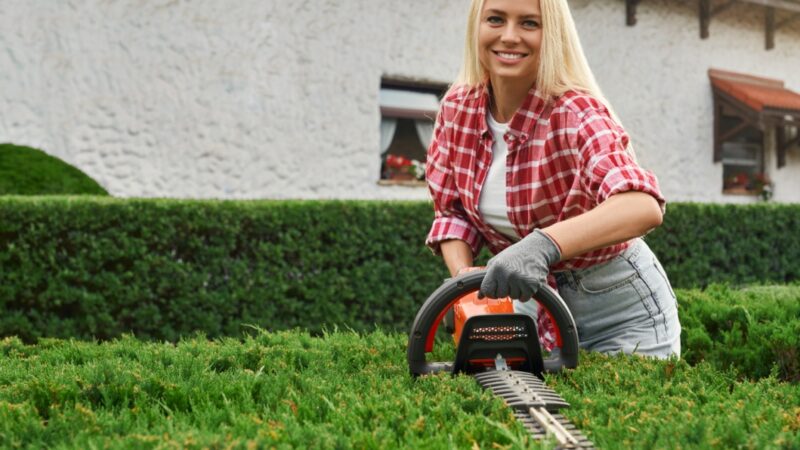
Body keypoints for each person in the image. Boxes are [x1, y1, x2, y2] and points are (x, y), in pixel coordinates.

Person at [425, 0, 681, 358]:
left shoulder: (575, 112)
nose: (510, 36)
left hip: (619, 316)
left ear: (553, 35)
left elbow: (642, 205)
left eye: (529, 23)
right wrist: (465, 282)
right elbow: (451, 215)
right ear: (476, 27)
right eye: (496, 19)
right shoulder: (457, 110)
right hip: (531, 303)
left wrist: (542, 245)